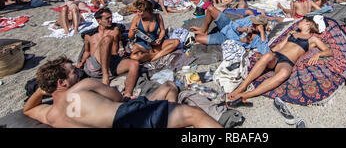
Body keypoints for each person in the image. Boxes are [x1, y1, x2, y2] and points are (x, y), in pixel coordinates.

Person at [24, 56, 222, 128]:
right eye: (73, 72)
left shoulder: (52, 115)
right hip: (127, 118)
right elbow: (118, 98)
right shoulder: (82, 87)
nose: (78, 72)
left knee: (169, 89)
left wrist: (42, 92)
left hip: (126, 118)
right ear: (62, 82)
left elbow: (28, 110)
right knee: (195, 115)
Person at [226, 17, 332, 105]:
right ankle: (243, 86)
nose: (300, 22)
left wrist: (318, 54)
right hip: (277, 56)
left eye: (303, 20)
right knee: (267, 56)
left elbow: (329, 51)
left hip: (286, 62)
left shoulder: (313, 39)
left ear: (308, 23)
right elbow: (280, 45)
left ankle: (247, 95)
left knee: (285, 73)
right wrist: (268, 53)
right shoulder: (292, 33)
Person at [78, 8, 140, 100]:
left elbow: (119, 44)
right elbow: (87, 51)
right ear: (99, 21)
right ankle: (105, 77)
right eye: (107, 18)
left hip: (112, 62)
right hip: (95, 64)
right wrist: (81, 62)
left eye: (111, 17)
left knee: (135, 64)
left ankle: (127, 94)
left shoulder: (116, 30)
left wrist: (122, 50)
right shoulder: (89, 36)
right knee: (107, 39)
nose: (111, 20)